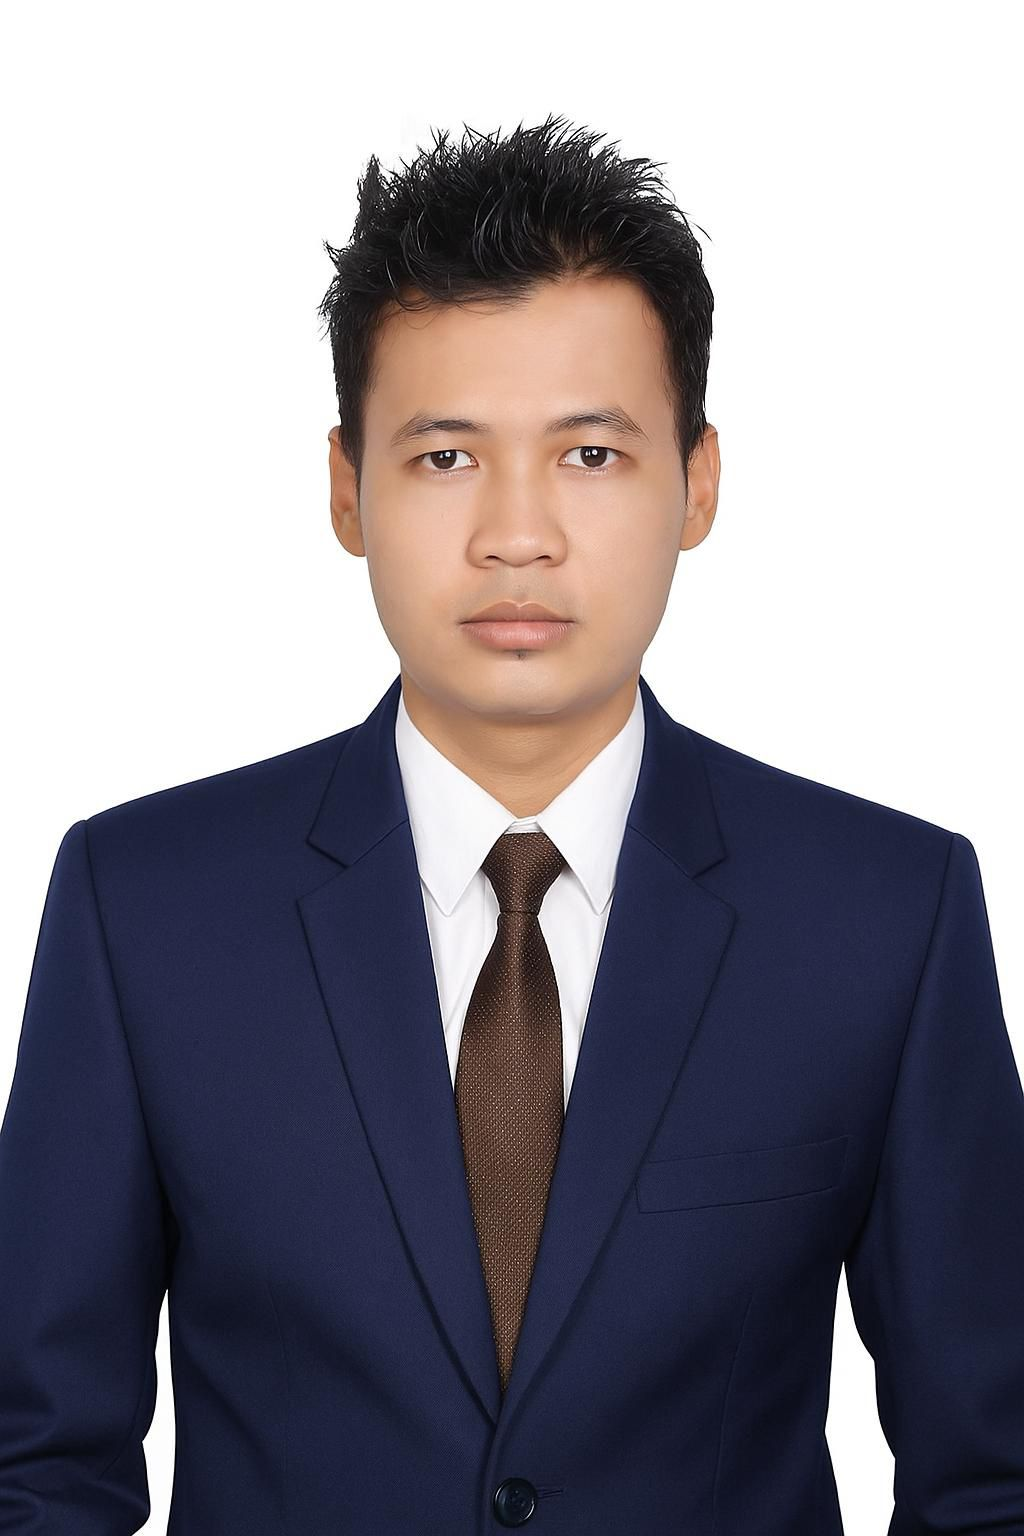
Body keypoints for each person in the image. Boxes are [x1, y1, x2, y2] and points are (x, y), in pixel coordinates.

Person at [2, 112, 1022, 1535]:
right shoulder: (144, 908)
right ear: (348, 487)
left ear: (699, 482)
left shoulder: (882, 916)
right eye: (445, 458)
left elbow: (994, 1475)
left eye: (591, 454)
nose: (517, 534)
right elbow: (37, 1468)